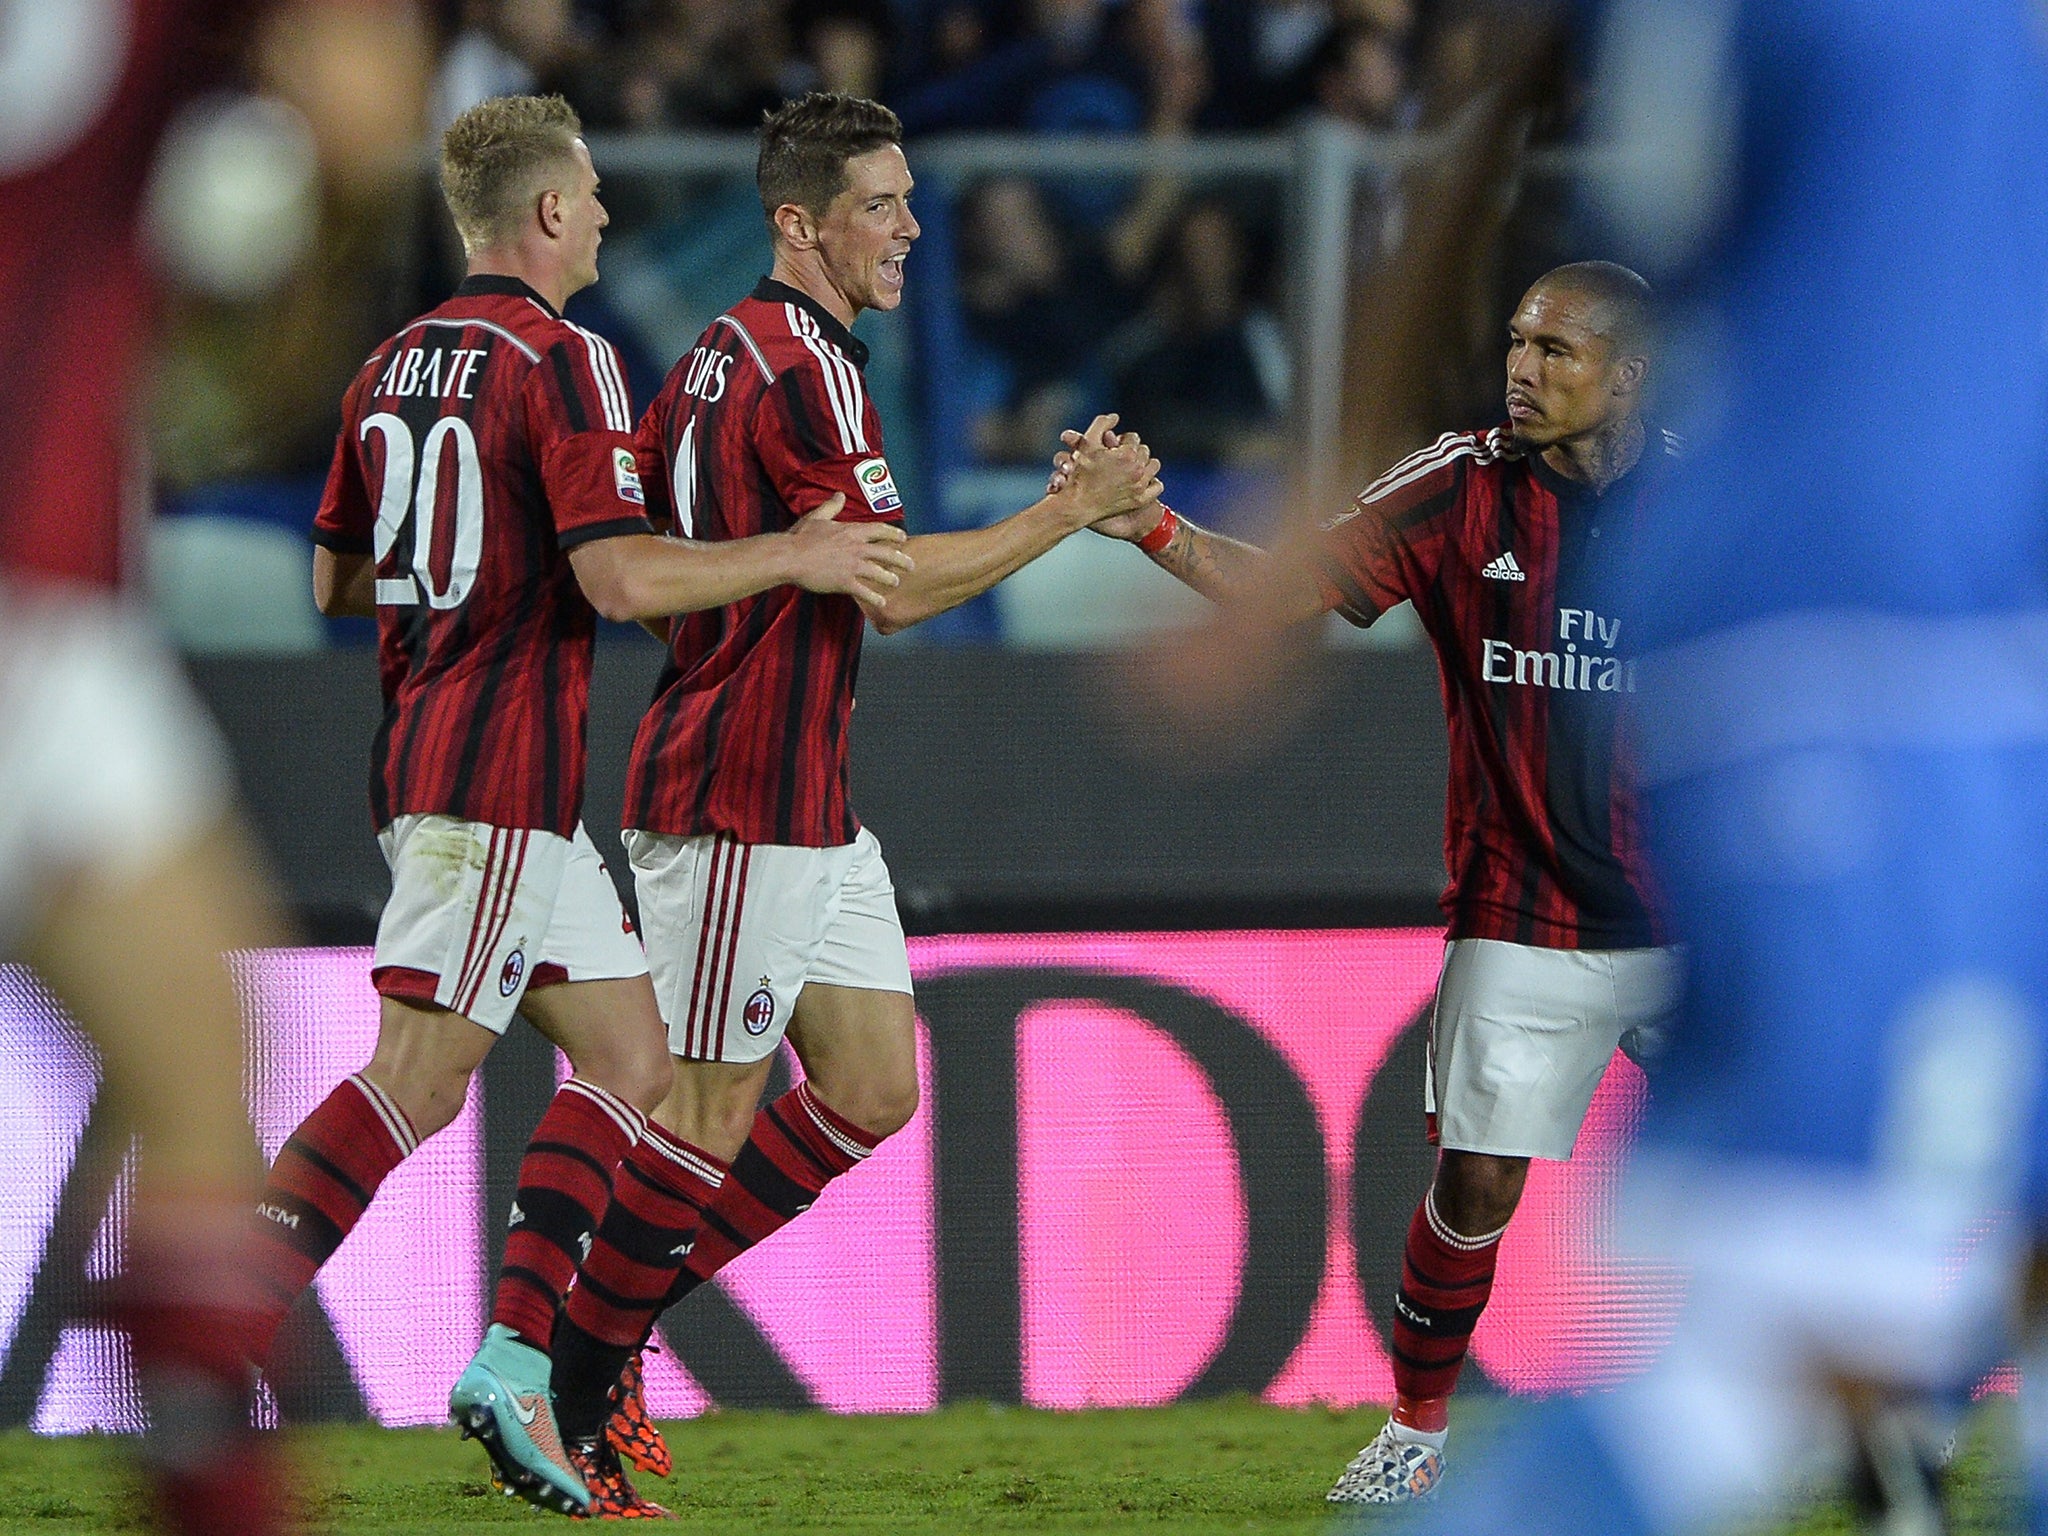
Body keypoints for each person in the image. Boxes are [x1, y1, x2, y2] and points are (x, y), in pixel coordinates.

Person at [1367, 3, 2048, 1534]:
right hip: (1848, 672)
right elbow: (1616, 192)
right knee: (1757, 1368)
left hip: (1981, 674)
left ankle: (1901, 1468)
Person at [254, 91, 913, 1519]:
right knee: (418, 1079)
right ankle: (234, 1312)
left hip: (466, 773)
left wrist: (483, 569)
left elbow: (335, 579)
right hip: (491, 777)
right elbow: (621, 582)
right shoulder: (569, 362)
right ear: (549, 213)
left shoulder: (392, 363)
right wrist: (790, 554)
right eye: (597, 193)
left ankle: (521, 1359)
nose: (611, 213)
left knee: (633, 1066)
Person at [537, 91, 1163, 1513]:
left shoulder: (713, 357)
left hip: (800, 798)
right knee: (703, 1111)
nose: (911, 229)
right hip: (738, 801)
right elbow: (892, 590)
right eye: (880, 204)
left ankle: (599, 1330)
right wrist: (1067, 513)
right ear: (797, 223)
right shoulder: (802, 367)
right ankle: (568, 1399)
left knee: (874, 1087)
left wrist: (736, 634)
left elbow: (682, 565)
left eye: (908, 200)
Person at [1072, 260, 1678, 1504]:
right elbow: (1286, 591)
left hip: (1698, 916)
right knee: (1471, 1182)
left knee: (1813, 1152)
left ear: (1627, 375)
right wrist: (1149, 526)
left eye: (1556, 352)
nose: (1521, 367)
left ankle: (1902, 1404)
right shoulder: (1460, 486)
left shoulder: (1719, 484)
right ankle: (1413, 1429)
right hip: (1526, 910)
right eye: (1515, 341)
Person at [0, 3, 425, 1533]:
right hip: (34, 631)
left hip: (61, 652)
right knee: (193, 1095)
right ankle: (203, 1460)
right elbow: (362, 96)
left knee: (195, 1070)